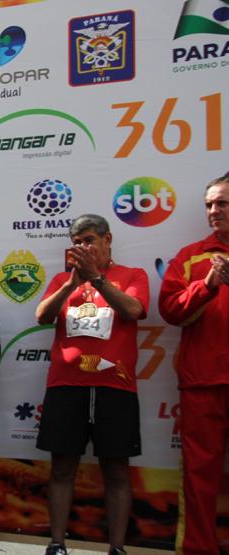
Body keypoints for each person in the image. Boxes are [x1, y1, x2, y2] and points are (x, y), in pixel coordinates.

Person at [34, 214, 149, 555]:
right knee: (62, 466)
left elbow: (132, 309)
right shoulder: (62, 279)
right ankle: (57, 544)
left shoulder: (133, 275)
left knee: (116, 469)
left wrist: (97, 280)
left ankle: (117, 548)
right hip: (66, 385)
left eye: (89, 241)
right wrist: (71, 284)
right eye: (77, 242)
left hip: (115, 386)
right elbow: (41, 315)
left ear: (107, 239)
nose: (83, 247)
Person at [158, 176, 229, 555]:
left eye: (222, 203)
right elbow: (169, 310)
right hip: (203, 382)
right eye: (209, 204)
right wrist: (208, 285)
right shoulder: (192, 256)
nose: (214, 211)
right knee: (199, 479)